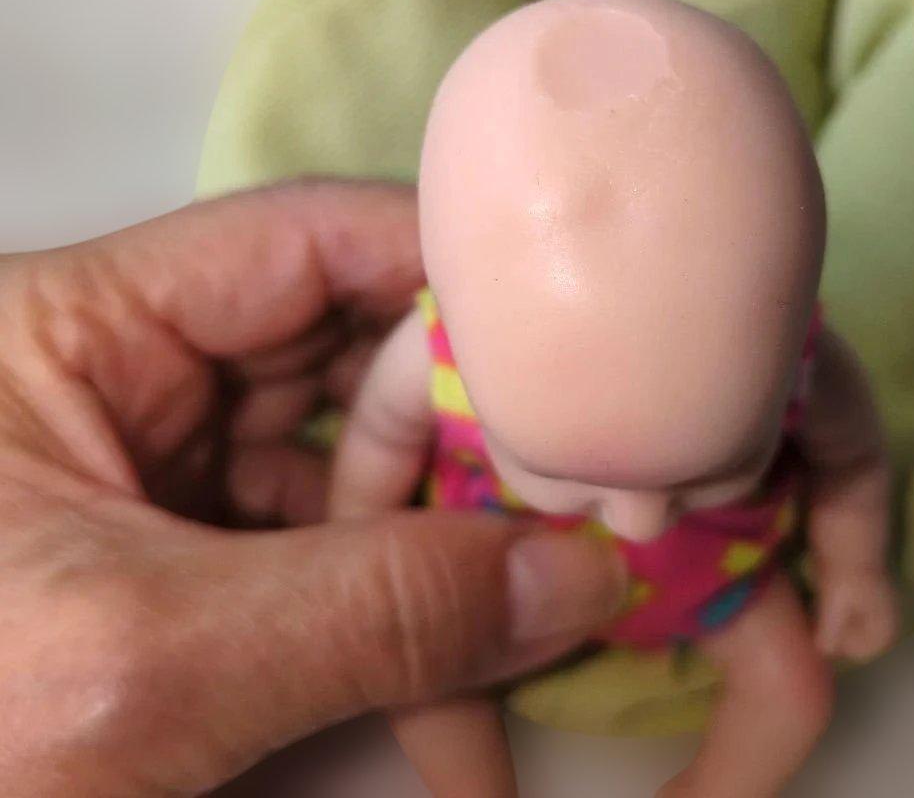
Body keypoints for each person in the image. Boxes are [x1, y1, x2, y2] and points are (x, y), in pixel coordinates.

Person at [0, 179, 626, 797]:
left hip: (665, 578)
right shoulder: (440, 341)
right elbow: (381, 435)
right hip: (471, 534)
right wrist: (364, 524)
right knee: (434, 686)